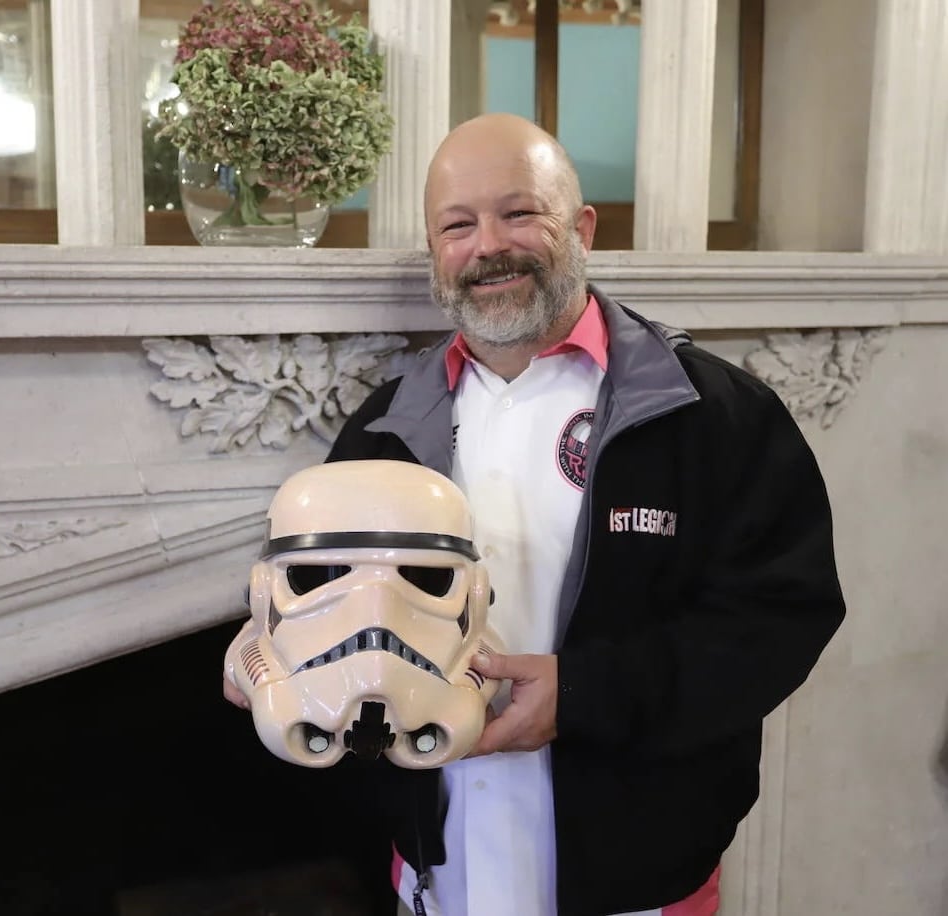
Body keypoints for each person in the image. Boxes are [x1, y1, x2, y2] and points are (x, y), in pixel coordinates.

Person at [225, 112, 845, 916]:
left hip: (641, 883)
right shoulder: (383, 428)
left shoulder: (714, 412)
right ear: (435, 253)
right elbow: (318, 597)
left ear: (581, 229)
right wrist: (270, 648)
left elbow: (781, 619)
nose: (488, 246)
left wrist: (581, 695)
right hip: (437, 876)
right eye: (457, 226)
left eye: (518, 213)